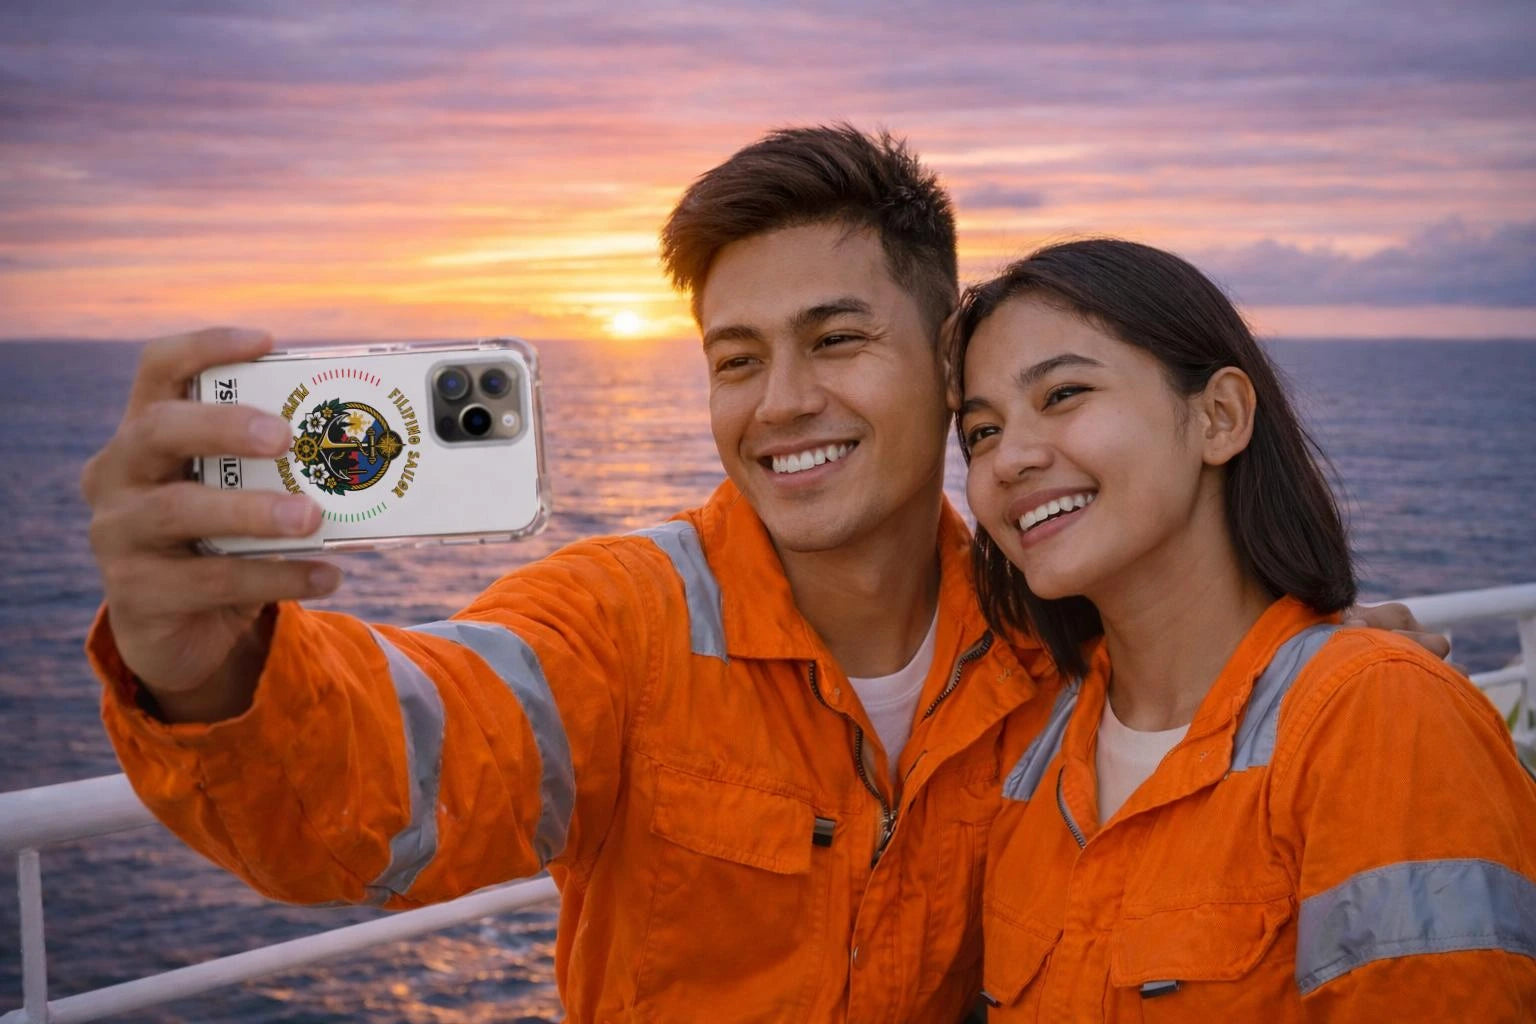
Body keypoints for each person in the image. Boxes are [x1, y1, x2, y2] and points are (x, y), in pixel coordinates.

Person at [80, 126, 1438, 1022]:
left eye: (835, 340)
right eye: (736, 359)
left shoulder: (1055, 649)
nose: (779, 402)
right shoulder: (623, 621)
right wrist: (206, 670)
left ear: (947, 360)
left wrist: (1319, 677)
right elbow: (396, 772)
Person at [952, 239, 1536, 1020]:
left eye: (1062, 394)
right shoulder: (1033, 756)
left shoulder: (1375, 719)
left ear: (1220, 417)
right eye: (981, 431)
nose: (1009, 459)